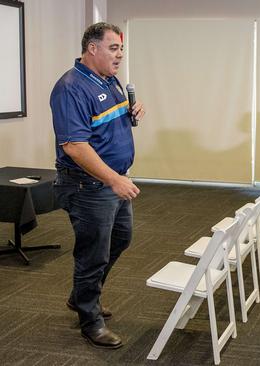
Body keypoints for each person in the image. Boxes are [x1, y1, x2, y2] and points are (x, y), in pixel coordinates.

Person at [51, 22, 145, 349]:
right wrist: (113, 179)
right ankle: (90, 319)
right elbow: (75, 146)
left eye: (121, 49)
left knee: (121, 238)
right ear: (92, 49)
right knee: (93, 254)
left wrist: (132, 112)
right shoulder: (71, 88)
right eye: (113, 48)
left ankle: (82, 296)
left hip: (112, 182)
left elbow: (108, 123)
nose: (119, 55)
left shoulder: (111, 80)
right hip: (88, 186)